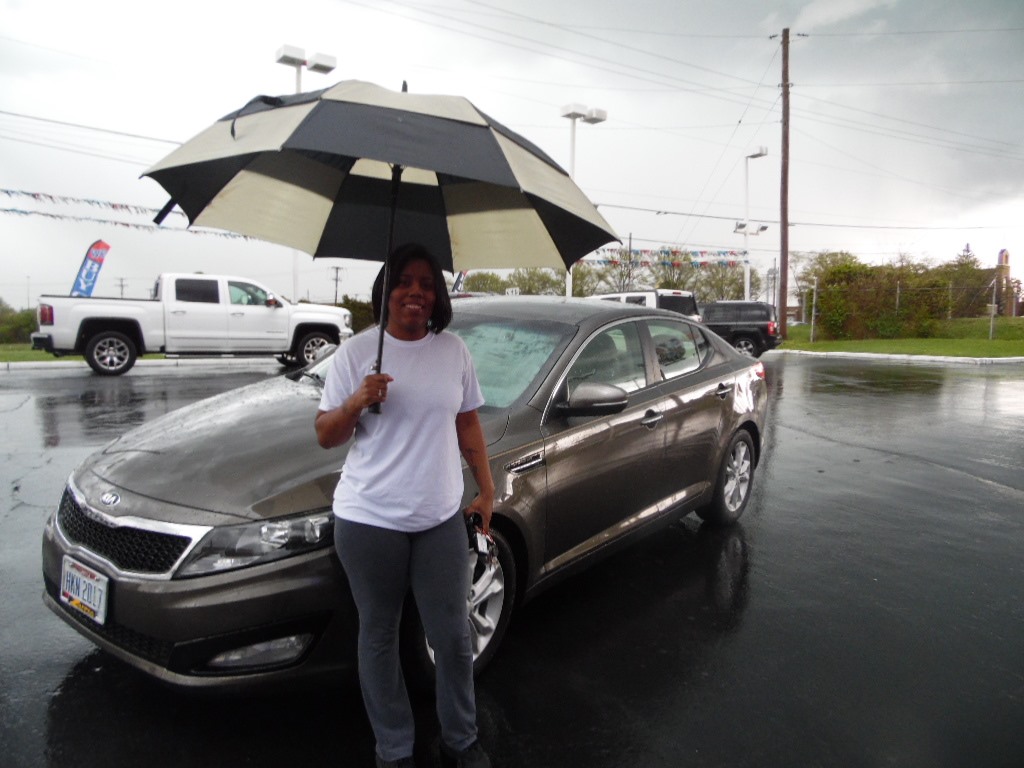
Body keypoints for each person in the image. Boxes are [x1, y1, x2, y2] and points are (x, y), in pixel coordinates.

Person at [315, 243, 494, 768]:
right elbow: (325, 435)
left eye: (426, 284)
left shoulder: (453, 352)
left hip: (439, 518)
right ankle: (393, 748)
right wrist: (356, 401)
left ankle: (460, 740)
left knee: (453, 636)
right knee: (379, 635)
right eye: (403, 281)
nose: (416, 292)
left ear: (438, 296)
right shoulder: (356, 354)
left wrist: (487, 490)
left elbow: (468, 422)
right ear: (386, 291)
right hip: (369, 520)